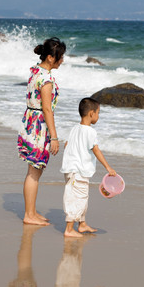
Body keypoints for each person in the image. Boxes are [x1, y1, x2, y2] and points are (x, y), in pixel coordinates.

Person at [18, 37, 66, 226]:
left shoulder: (36, 71)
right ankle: (29, 215)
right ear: (50, 58)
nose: (62, 60)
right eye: (60, 57)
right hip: (38, 125)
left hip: (31, 121)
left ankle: (31, 211)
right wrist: (54, 137)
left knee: (34, 170)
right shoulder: (45, 79)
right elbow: (47, 109)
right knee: (34, 171)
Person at [60, 97, 116, 238]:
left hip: (72, 169)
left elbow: (66, 145)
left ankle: (82, 224)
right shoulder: (90, 132)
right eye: (98, 113)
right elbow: (96, 150)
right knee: (75, 198)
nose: (98, 116)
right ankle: (68, 229)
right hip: (77, 171)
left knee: (82, 197)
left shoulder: (74, 129)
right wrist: (108, 168)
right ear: (91, 113)